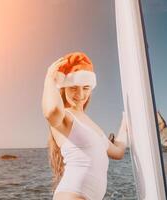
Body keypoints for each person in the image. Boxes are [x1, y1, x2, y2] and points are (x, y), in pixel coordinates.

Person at [42, 52, 128, 200]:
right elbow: (52, 111)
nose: (80, 94)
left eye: (86, 88)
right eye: (73, 87)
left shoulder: (92, 125)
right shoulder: (66, 116)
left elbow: (118, 151)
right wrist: (50, 79)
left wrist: (126, 121)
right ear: (64, 88)